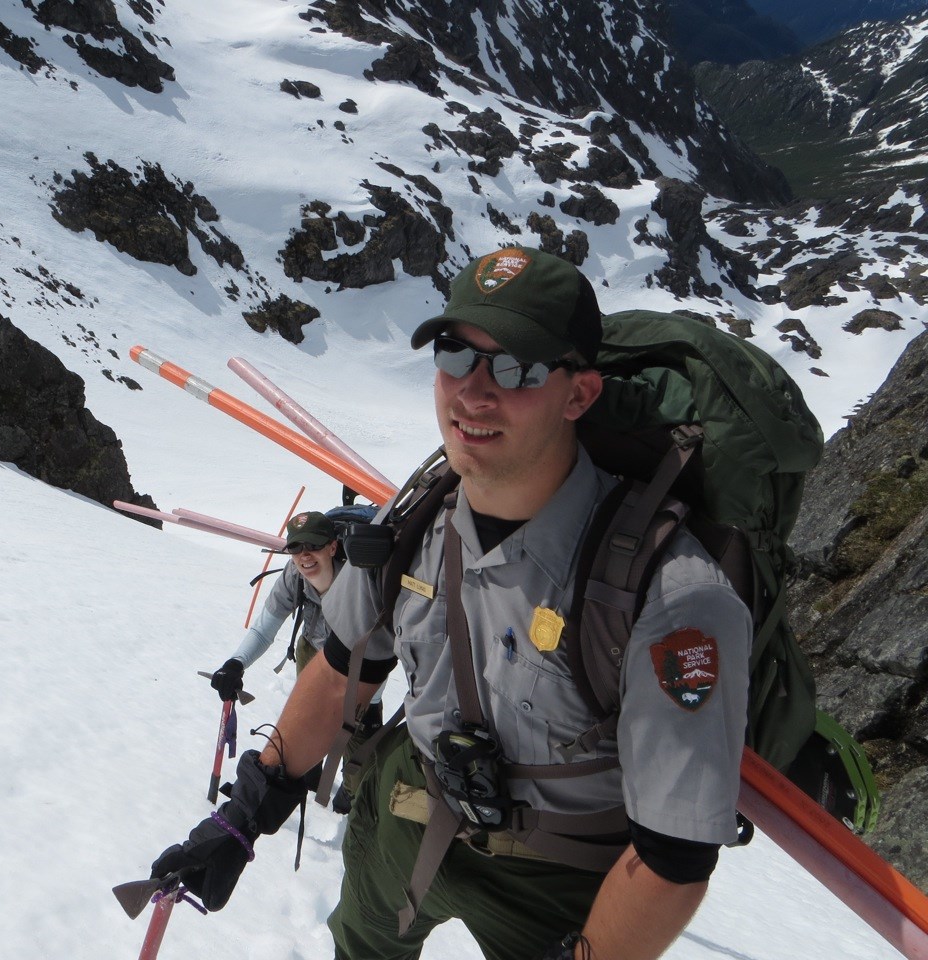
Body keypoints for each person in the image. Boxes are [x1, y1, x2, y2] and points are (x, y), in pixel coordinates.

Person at [151, 246, 752, 960]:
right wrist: (247, 814)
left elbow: (672, 858)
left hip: (562, 878)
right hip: (408, 812)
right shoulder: (409, 527)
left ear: (579, 395)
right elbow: (342, 669)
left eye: (518, 368)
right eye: (455, 354)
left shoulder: (671, 598)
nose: (473, 393)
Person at [207, 510, 383, 813]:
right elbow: (264, 629)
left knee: (358, 747)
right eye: (296, 548)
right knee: (308, 721)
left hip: (360, 666)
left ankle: (352, 796)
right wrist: (236, 663)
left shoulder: (360, 580)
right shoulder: (293, 577)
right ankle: (307, 772)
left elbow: (380, 650)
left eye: (313, 546)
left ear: (332, 546)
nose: (304, 556)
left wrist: (370, 702)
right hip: (313, 650)